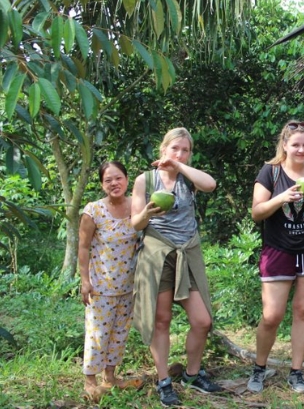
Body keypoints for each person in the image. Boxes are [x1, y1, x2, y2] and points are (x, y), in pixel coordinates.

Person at [131, 127, 223, 407]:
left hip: (187, 252)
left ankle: (192, 374)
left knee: (202, 320)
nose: (179, 153)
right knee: (162, 320)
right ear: (163, 149)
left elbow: (211, 185)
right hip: (158, 254)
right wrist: (147, 212)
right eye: (175, 149)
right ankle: (164, 381)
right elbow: (136, 223)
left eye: (185, 150)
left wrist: (180, 166)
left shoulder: (188, 178)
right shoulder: (145, 179)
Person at [247, 120, 304, 395]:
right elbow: (257, 212)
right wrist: (282, 197)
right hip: (278, 249)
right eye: (295, 144)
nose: (301, 149)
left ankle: (296, 372)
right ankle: (259, 367)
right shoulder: (270, 172)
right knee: (272, 315)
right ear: (284, 145)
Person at [78, 161, 140, 399]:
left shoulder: (137, 206)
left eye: (118, 178)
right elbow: (83, 248)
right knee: (98, 333)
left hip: (129, 285)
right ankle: (90, 380)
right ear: (102, 184)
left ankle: (110, 377)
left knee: (119, 332)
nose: (114, 183)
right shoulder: (93, 211)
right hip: (100, 286)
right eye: (108, 180)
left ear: (126, 179)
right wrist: (85, 281)